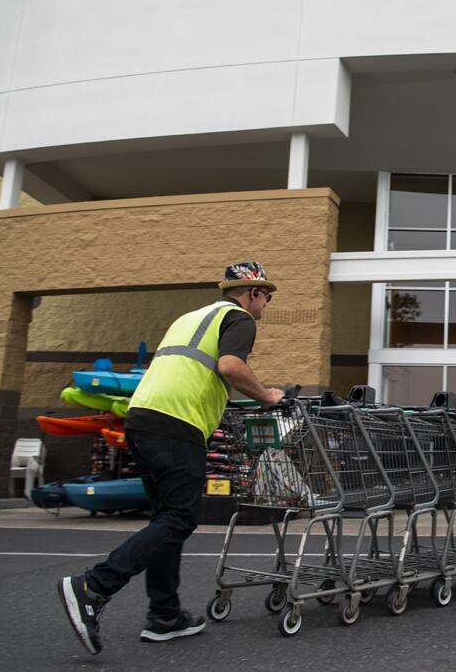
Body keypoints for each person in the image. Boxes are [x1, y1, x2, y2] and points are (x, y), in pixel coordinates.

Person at [58, 261, 287, 655]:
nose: (266, 303)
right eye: (265, 295)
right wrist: (267, 395)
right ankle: (93, 586)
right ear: (251, 292)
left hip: (142, 418)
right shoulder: (239, 318)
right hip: (177, 424)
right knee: (180, 518)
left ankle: (164, 616)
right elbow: (230, 365)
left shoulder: (191, 318)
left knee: (166, 519)